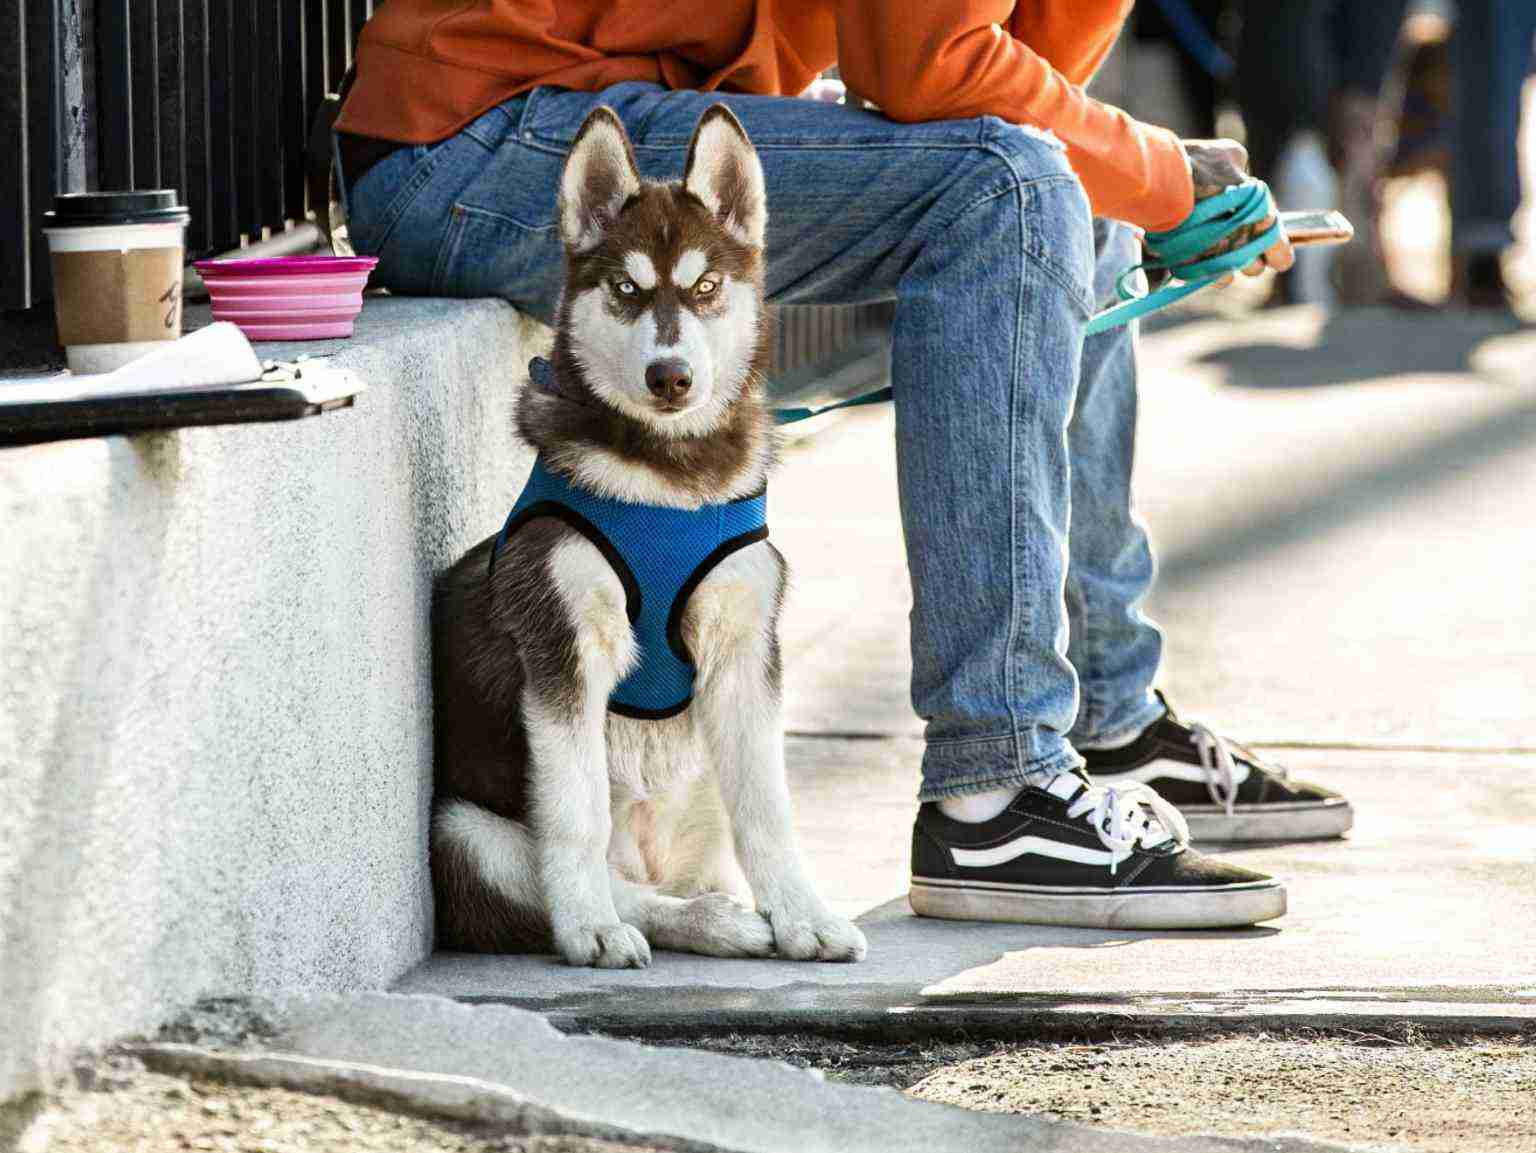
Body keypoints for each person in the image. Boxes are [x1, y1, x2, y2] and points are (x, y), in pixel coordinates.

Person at [334, 1, 1348, 930]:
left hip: (624, 100)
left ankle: (1103, 711)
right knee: (1014, 187)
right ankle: (997, 787)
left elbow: (1019, 60)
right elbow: (928, 61)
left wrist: (1145, 176)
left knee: (1080, 190)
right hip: (481, 136)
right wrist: (1162, 171)